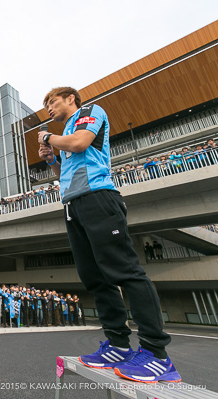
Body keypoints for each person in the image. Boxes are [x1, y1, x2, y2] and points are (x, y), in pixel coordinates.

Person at [37, 87, 180, 383]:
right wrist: (52, 159)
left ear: (70, 99)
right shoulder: (64, 130)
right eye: (47, 104)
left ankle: (157, 355)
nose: (48, 108)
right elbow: (69, 169)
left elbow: (79, 144)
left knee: (125, 271)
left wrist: (48, 138)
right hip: (73, 205)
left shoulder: (90, 113)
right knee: (95, 277)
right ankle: (117, 345)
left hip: (98, 198)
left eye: (52, 101)